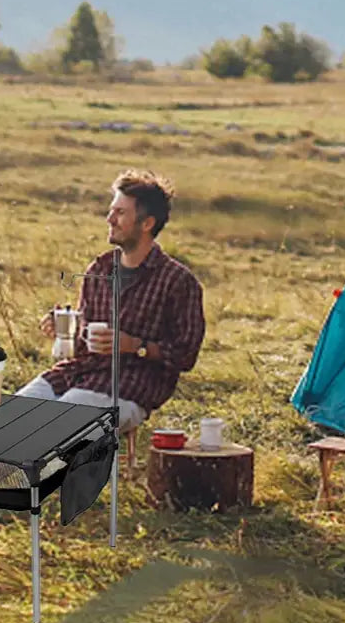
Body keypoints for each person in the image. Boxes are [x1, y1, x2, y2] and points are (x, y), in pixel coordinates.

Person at [16, 169, 205, 431]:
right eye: (111, 210)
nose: (109, 219)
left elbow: (186, 355)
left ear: (147, 223)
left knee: (56, 427)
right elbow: (85, 340)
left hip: (128, 386)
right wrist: (64, 329)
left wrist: (135, 345)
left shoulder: (178, 282)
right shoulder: (100, 269)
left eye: (120, 213)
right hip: (75, 374)